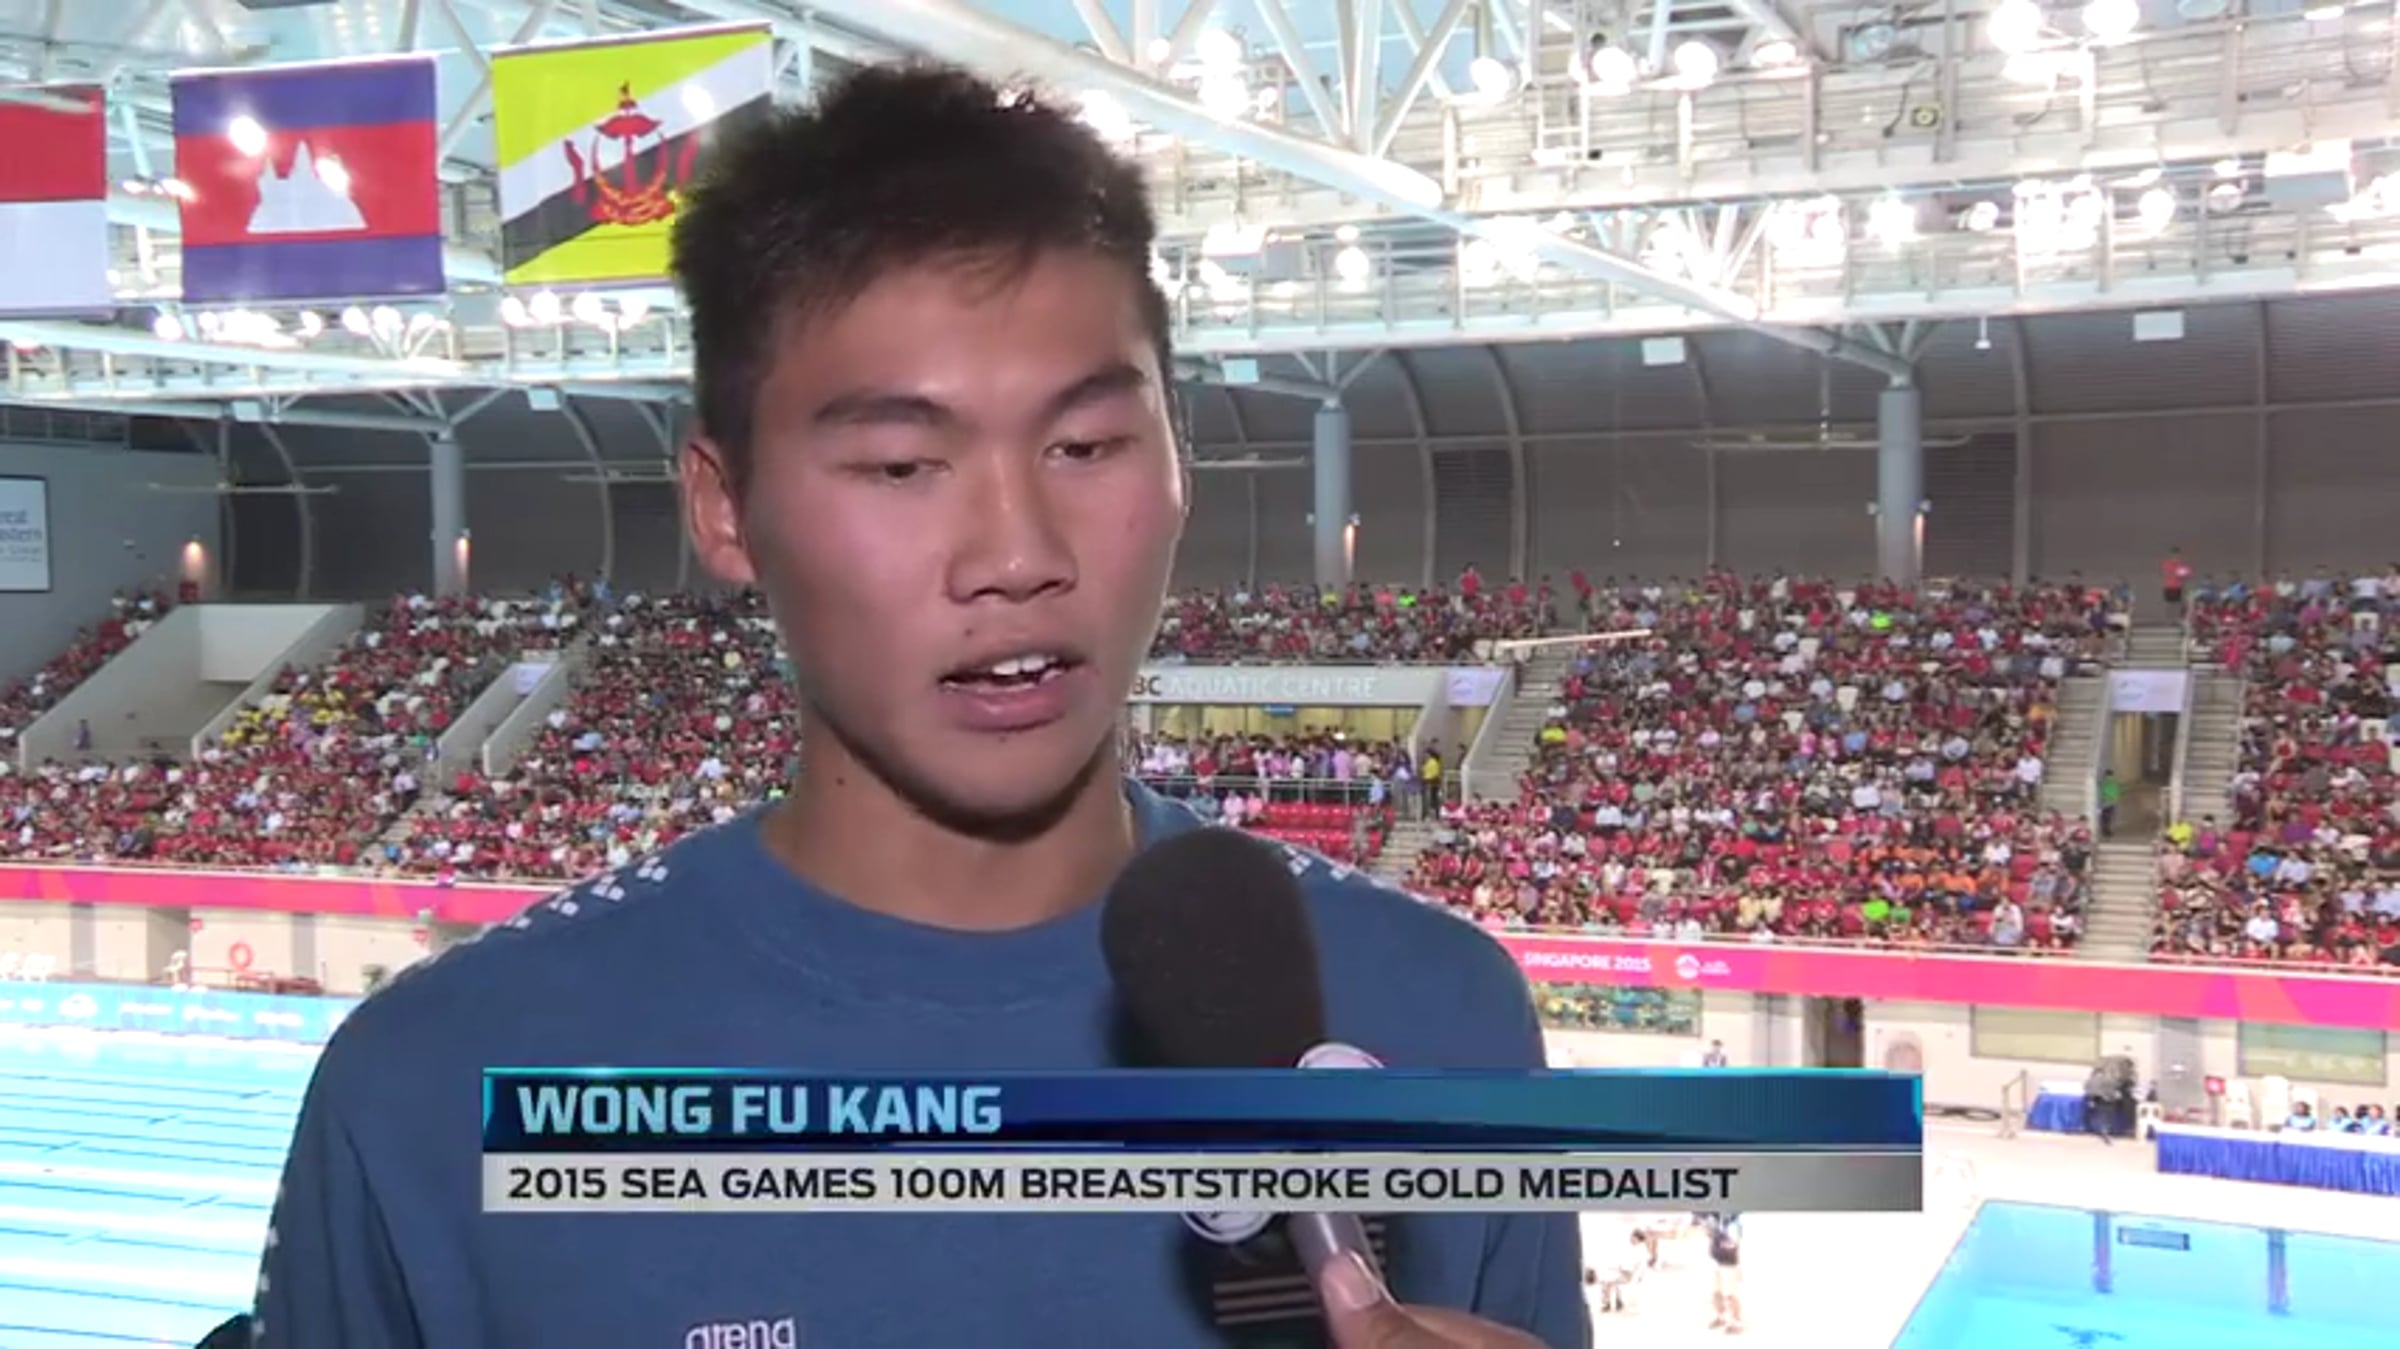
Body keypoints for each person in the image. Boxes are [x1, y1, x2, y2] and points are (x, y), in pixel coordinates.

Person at [248, 65, 1582, 1349]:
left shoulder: (1437, 1016)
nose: (1018, 551)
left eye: (1086, 445)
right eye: (900, 464)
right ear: (724, 506)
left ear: (1182, 462)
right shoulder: (438, 1090)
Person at [1702, 1211, 1744, 1333]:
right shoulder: (1714, 1218)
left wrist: (1720, 1235)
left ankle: (1736, 1322)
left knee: (1730, 1294)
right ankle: (1721, 1317)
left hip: (1729, 1263)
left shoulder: (1734, 1223)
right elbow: (1709, 1234)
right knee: (1715, 1292)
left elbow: (1733, 1244)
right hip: (1715, 1261)